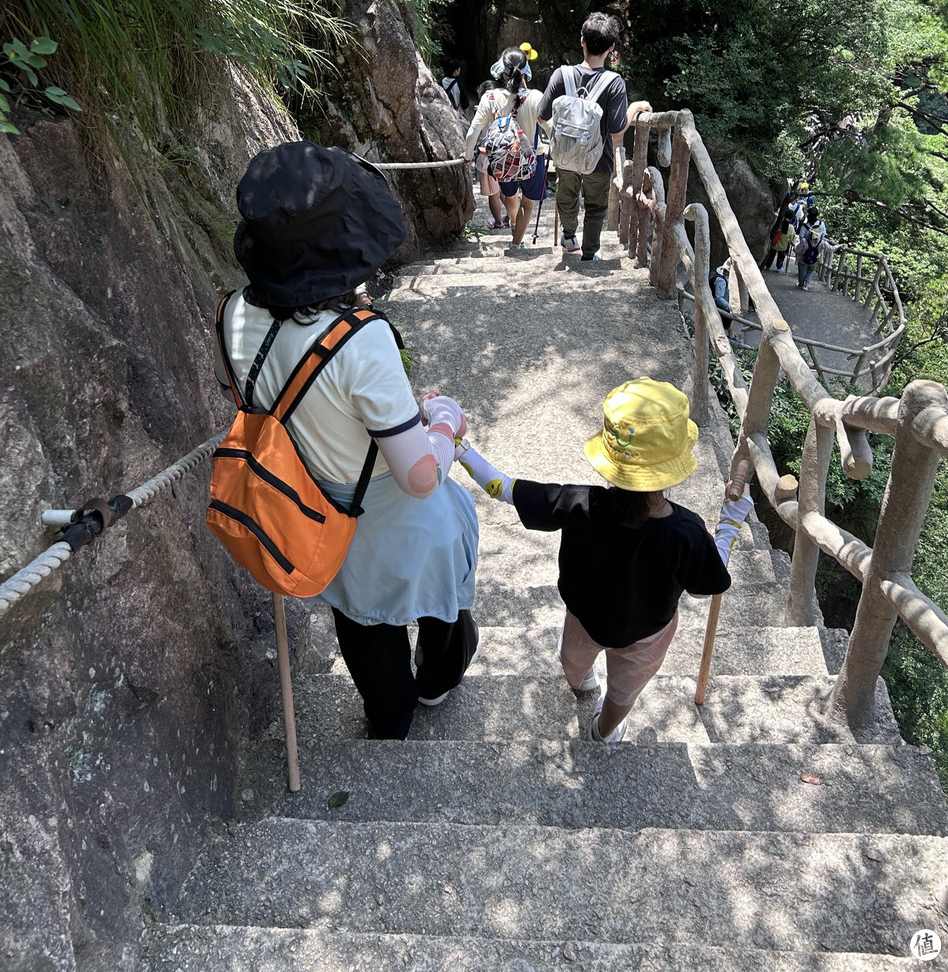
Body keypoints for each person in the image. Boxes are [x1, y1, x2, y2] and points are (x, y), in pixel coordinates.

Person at [215, 141, 479, 740]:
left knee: (360, 620)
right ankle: (435, 683)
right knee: (441, 598)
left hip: (315, 511)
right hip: (396, 511)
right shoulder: (361, 340)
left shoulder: (230, 314)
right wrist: (444, 422)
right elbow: (418, 476)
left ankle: (389, 718)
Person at [454, 378, 754, 743]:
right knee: (624, 692)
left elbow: (503, 487)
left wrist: (460, 448)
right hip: (647, 633)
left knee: (574, 661)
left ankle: (582, 683)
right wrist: (729, 523)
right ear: (669, 465)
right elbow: (713, 575)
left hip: (585, 618)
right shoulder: (686, 532)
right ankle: (603, 732)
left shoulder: (577, 502)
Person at [536, 12, 651, 263]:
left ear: (582, 42)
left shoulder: (561, 75)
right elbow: (617, 130)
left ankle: (569, 237)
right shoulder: (614, 83)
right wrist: (635, 108)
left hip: (565, 156)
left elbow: (541, 116)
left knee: (566, 199)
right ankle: (589, 255)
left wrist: (561, 133)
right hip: (598, 160)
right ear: (611, 49)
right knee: (595, 207)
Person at [464, 46, 548, 252]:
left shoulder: (489, 98)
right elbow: (551, 127)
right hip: (532, 158)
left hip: (502, 160)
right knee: (527, 203)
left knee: (510, 196)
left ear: (501, 70)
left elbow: (472, 134)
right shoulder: (536, 97)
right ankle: (517, 242)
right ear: (526, 70)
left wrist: (468, 156)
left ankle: (513, 224)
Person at [473, 79, 509, 230]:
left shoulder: (481, 110)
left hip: (487, 156)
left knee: (493, 193)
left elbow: (475, 134)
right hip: (505, 154)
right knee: (505, 190)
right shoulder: (506, 108)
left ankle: (498, 223)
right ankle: (511, 217)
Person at [796, 205, 825, 290]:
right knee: (811, 270)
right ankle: (806, 283)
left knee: (802, 269)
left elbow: (801, 237)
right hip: (816, 251)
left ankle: (801, 283)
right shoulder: (821, 224)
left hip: (804, 251)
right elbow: (823, 235)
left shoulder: (804, 226)